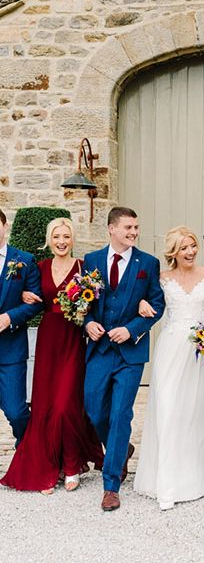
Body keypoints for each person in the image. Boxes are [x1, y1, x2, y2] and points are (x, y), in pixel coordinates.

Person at [1, 218, 104, 493]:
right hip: (48, 340)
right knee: (45, 407)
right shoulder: (40, 267)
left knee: (66, 405)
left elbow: (98, 302)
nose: (61, 241)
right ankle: (49, 466)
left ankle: (71, 464)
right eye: (57, 236)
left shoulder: (85, 268)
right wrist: (24, 294)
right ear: (49, 239)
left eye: (66, 236)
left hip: (73, 340)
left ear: (72, 239)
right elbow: (32, 296)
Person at [133, 226, 204, 510]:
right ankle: (166, 479)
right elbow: (146, 301)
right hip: (171, 348)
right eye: (184, 247)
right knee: (169, 408)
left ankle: (197, 472)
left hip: (201, 349)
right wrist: (140, 303)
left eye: (193, 246)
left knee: (196, 410)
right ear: (173, 251)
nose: (190, 252)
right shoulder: (161, 279)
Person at [83, 206, 165, 512]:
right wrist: (87, 322)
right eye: (128, 228)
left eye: (136, 227)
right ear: (111, 229)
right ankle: (123, 448)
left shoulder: (148, 263)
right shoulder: (91, 261)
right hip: (99, 350)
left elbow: (157, 304)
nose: (133, 232)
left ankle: (111, 484)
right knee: (94, 410)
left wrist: (131, 330)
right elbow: (81, 301)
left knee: (120, 415)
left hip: (130, 354)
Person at [0, 207, 42, 445]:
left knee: (16, 412)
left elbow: (36, 303)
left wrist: (10, 317)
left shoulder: (24, 261)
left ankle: (26, 448)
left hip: (11, 350)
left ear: (5, 226)